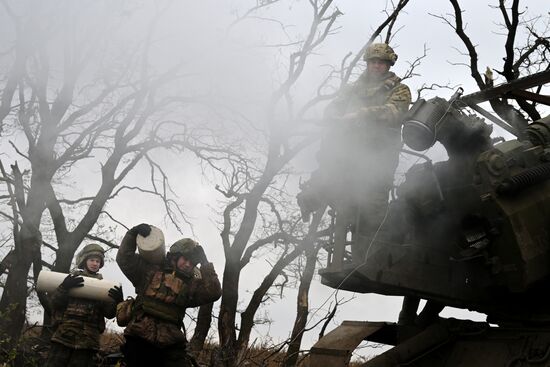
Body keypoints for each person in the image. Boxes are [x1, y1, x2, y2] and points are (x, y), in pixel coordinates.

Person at [297, 43, 411, 261]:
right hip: (347, 155)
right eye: (373, 62)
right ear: (368, 64)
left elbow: (394, 112)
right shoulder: (352, 89)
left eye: (381, 63)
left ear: (388, 65)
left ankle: (367, 260)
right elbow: (333, 108)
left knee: (373, 210)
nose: (377, 66)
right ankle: (312, 202)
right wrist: (333, 117)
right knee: (331, 189)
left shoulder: (400, 90)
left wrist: (361, 114)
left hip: (378, 160)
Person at [116, 223, 222, 367]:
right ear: (175, 257)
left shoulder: (192, 285)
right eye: (185, 259)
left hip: (171, 345)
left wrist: (205, 263)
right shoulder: (148, 271)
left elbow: (214, 292)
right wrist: (132, 234)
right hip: (139, 338)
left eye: (192, 262)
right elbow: (124, 258)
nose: (187, 264)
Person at [45, 243, 123, 367]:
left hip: (88, 341)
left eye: (98, 261)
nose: (95, 263)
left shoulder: (104, 286)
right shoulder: (72, 279)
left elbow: (109, 314)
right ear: (84, 261)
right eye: (92, 260)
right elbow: (55, 304)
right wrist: (64, 288)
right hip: (64, 336)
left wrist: (118, 301)